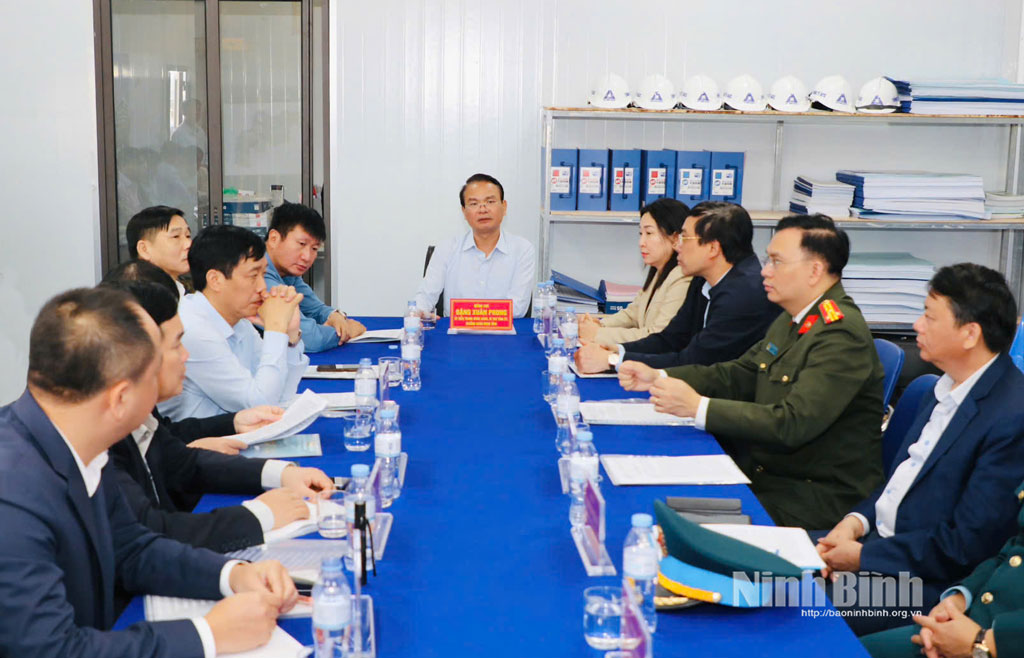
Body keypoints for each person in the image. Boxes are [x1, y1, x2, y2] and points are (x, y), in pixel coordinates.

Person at [0, 286, 298, 657]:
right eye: (154, 369)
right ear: (121, 398)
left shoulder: (76, 438)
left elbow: (131, 549)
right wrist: (207, 635)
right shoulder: (13, 493)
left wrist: (233, 574)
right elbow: (52, 650)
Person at [619, 214, 884, 529]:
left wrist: (698, 407)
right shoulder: (794, 317)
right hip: (770, 475)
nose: (765, 271)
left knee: (661, 522)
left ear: (814, 271)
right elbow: (740, 373)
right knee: (653, 502)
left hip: (811, 497)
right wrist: (660, 376)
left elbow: (792, 423)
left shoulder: (839, 333)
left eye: (776, 262)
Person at [815, 263, 1024, 635]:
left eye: (929, 317)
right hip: (878, 547)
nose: (917, 326)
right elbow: (900, 482)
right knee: (754, 571)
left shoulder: (1012, 417)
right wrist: (854, 523)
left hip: (926, 585)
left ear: (970, 334)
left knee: (790, 606)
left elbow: (967, 545)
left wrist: (863, 557)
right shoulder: (944, 388)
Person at [102, 275, 335, 554]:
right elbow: (151, 532)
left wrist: (281, 473)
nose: (185, 355)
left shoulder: (136, 409)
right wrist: (260, 515)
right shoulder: (101, 441)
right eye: (176, 345)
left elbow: (183, 461)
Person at [576, 201, 778, 373]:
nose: (677, 246)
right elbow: (670, 339)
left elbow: (694, 362)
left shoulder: (742, 294)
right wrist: (616, 351)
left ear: (712, 248)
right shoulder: (702, 278)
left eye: (684, 238)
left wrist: (613, 361)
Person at [159, 224, 308, 421]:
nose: (262, 288)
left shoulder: (238, 319)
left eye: (263, 275)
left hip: (234, 433)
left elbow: (282, 394)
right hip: (195, 438)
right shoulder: (193, 329)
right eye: (253, 276)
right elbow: (260, 405)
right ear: (215, 280)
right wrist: (276, 328)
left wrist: (290, 335)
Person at [861, 479, 1024, 658]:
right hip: (974, 619)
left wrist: (983, 642)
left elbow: (963, 543)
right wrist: (959, 599)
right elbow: (1014, 550)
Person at [414, 173, 536, 318]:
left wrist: (468, 315)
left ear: (504, 207)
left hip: (504, 331)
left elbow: (517, 308)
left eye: (490, 201)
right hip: (455, 332)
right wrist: (417, 312)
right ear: (464, 212)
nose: (483, 209)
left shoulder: (522, 250)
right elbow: (425, 296)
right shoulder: (446, 248)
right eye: (473, 204)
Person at [576, 198, 690, 346]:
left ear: (675, 238)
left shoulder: (682, 278)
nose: (641, 242)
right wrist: (600, 324)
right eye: (640, 233)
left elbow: (656, 336)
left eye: (649, 233)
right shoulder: (658, 272)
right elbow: (633, 314)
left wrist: (598, 334)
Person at [264, 202, 365, 352]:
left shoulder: (287, 272)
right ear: (274, 238)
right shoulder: (256, 276)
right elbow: (310, 338)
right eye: (301, 244)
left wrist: (335, 316)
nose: (307, 256)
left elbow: (316, 309)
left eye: (314, 248)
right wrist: (347, 330)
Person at [126, 205, 192, 298]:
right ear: (144, 249)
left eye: (188, 236)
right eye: (176, 236)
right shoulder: (133, 300)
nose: (188, 244)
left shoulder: (182, 294)